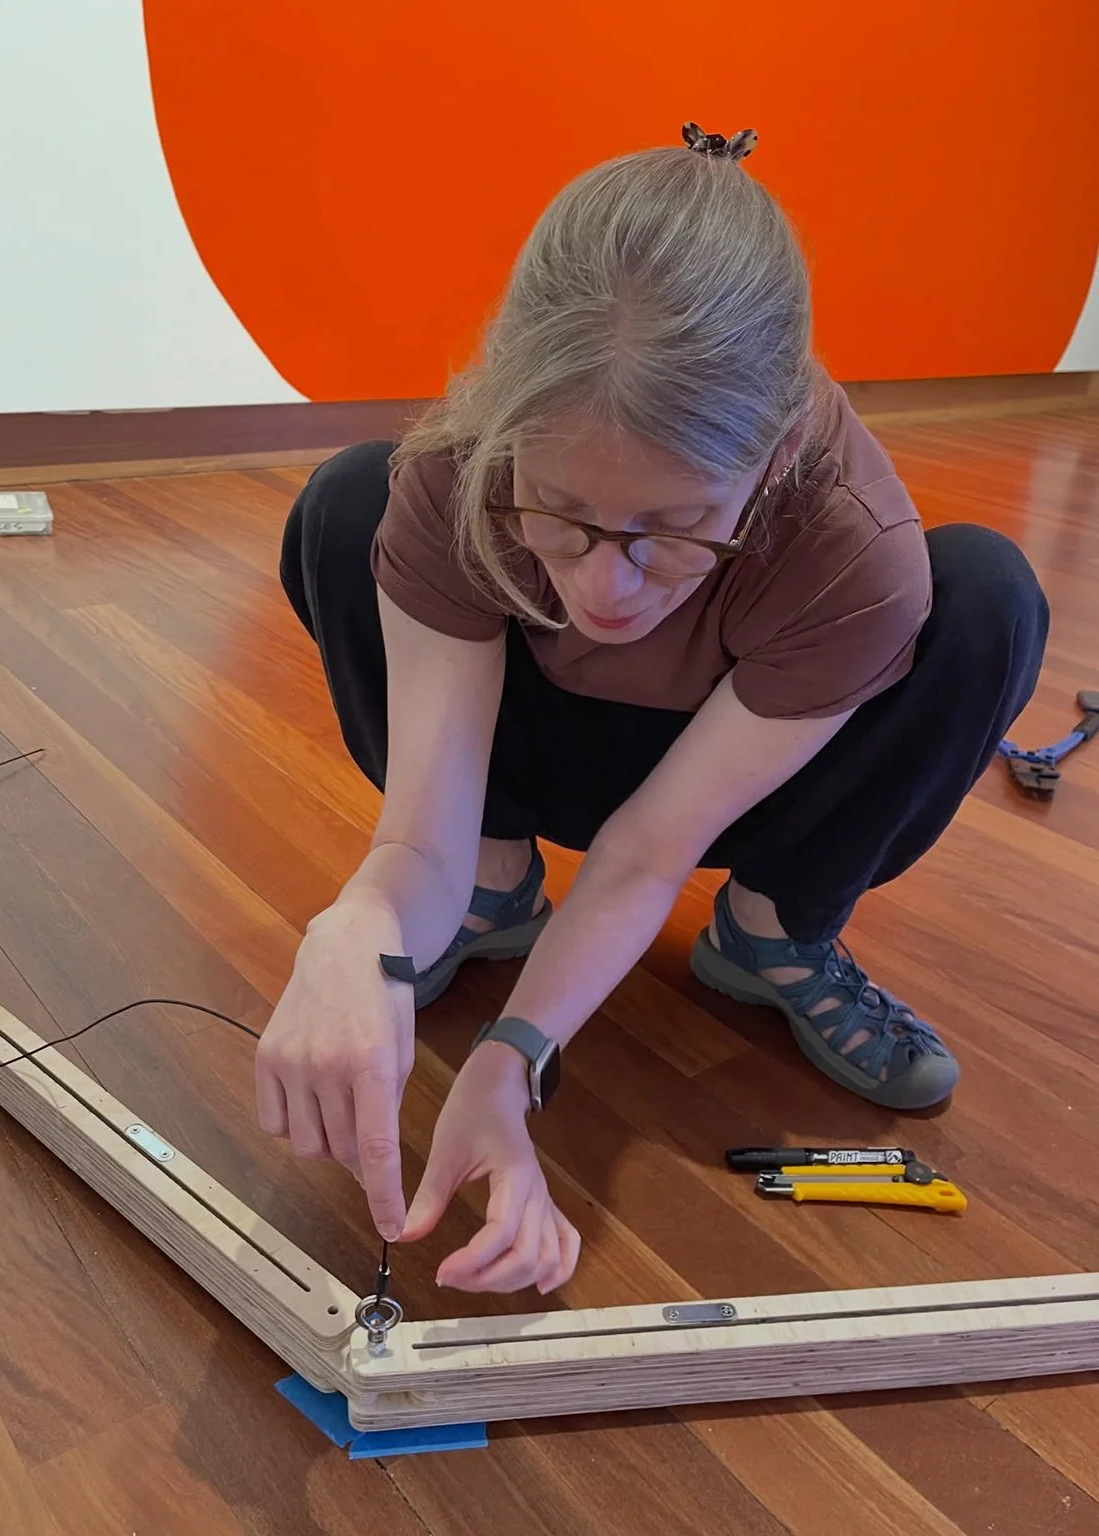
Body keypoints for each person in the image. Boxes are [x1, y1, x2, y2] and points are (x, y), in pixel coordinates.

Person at [257, 124, 1048, 1299]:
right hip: (539, 741)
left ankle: (774, 933)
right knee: (345, 500)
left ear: (777, 453)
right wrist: (359, 918)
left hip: (730, 777)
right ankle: (490, 887)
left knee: (986, 596)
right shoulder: (457, 473)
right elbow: (412, 833)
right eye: (558, 509)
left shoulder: (850, 546)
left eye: (673, 530)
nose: (606, 588)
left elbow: (644, 853)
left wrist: (511, 1060)